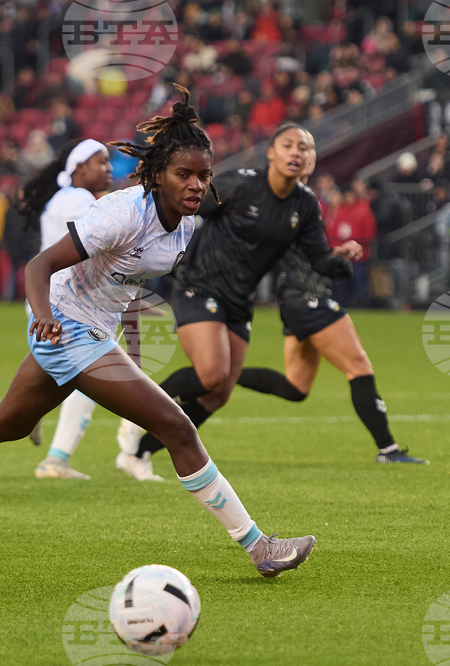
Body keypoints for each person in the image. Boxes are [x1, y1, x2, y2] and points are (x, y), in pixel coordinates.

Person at [0, 86, 317, 578]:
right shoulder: (120, 213)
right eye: (184, 174)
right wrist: (43, 316)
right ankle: (259, 547)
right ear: (157, 173)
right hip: (67, 330)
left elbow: (128, 282)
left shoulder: (184, 225)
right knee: (177, 427)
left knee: (6, 424)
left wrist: (134, 333)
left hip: (94, 330)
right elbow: (38, 266)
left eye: (204, 175)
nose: (196, 184)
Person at [123, 122, 354, 479]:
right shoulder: (241, 184)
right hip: (199, 286)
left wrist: (341, 261)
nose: (297, 152)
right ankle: (139, 413)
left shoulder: (305, 205)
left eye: (305, 148)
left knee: (219, 393)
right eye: (289, 145)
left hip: (239, 301)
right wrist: (146, 256)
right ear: (272, 153)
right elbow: (182, 208)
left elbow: (319, 259)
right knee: (212, 374)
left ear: (311, 160)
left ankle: (139, 452)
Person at [233, 149, 429, 464]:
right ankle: (388, 450)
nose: (302, 161)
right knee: (359, 366)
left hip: (297, 301)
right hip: (310, 298)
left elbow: (298, 249)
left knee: (296, 386)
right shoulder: (288, 203)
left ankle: (221, 375)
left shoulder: (298, 201)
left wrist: (335, 253)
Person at [16, 137, 115, 479]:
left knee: (56, 383)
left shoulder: (65, 198)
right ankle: (56, 460)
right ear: (79, 168)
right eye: (101, 161)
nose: (109, 168)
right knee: (95, 375)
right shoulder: (79, 201)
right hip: (65, 307)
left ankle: (28, 415)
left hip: (53, 303)